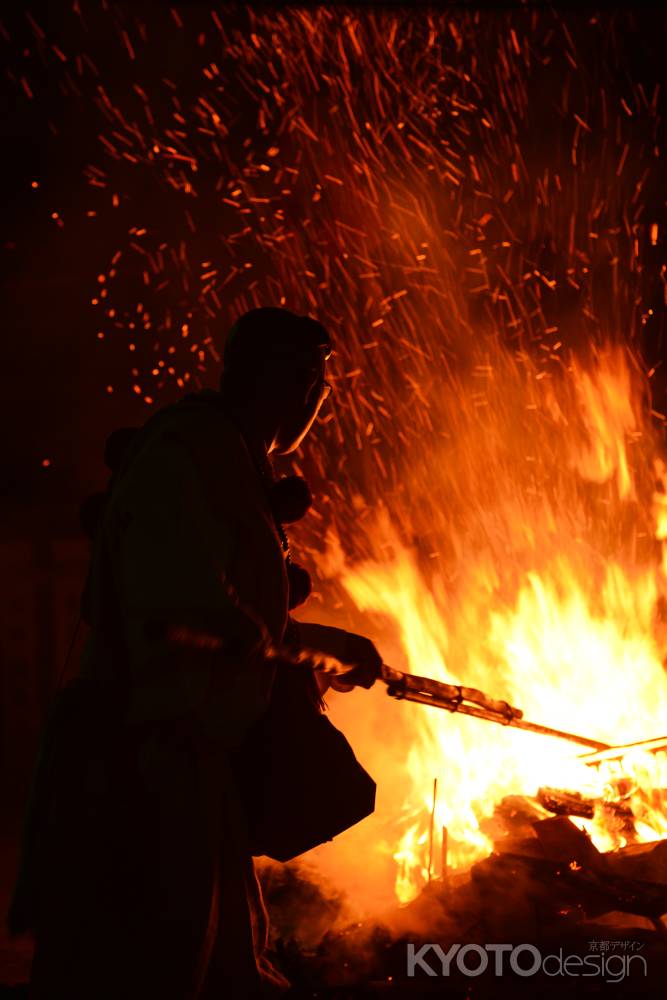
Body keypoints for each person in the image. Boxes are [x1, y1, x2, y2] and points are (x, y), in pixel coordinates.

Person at [12, 307, 382, 999]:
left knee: (229, 962)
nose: (316, 398)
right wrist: (294, 653)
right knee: (150, 966)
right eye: (315, 380)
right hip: (143, 762)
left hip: (190, 758)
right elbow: (182, 614)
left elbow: (215, 611)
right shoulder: (192, 449)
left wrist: (317, 645)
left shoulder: (226, 454)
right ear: (297, 381)